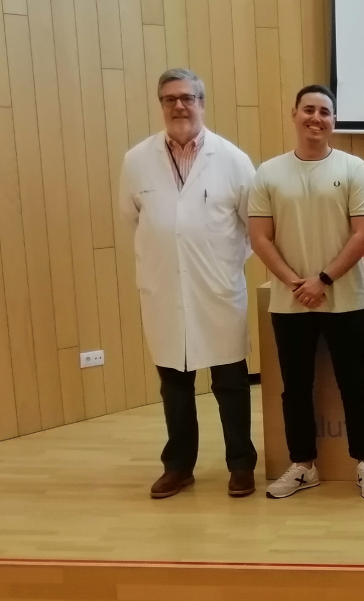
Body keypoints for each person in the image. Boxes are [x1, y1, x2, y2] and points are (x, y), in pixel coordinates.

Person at [118, 68, 258, 499]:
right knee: (174, 384)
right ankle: (178, 466)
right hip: (163, 290)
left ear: (201, 102)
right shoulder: (136, 160)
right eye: (169, 99)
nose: (179, 106)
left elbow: (254, 229)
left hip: (216, 288)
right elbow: (131, 218)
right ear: (160, 104)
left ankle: (241, 465)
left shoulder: (233, 160)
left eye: (187, 98)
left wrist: (218, 264)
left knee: (231, 383)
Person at [248, 85, 364, 500]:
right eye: (308, 110)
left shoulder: (355, 168)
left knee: (355, 385)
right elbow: (260, 237)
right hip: (290, 303)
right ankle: (303, 465)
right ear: (294, 115)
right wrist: (294, 283)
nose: (316, 118)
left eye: (324, 112)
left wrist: (322, 280)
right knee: (295, 388)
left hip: (346, 300)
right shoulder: (268, 173)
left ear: (334, 121)